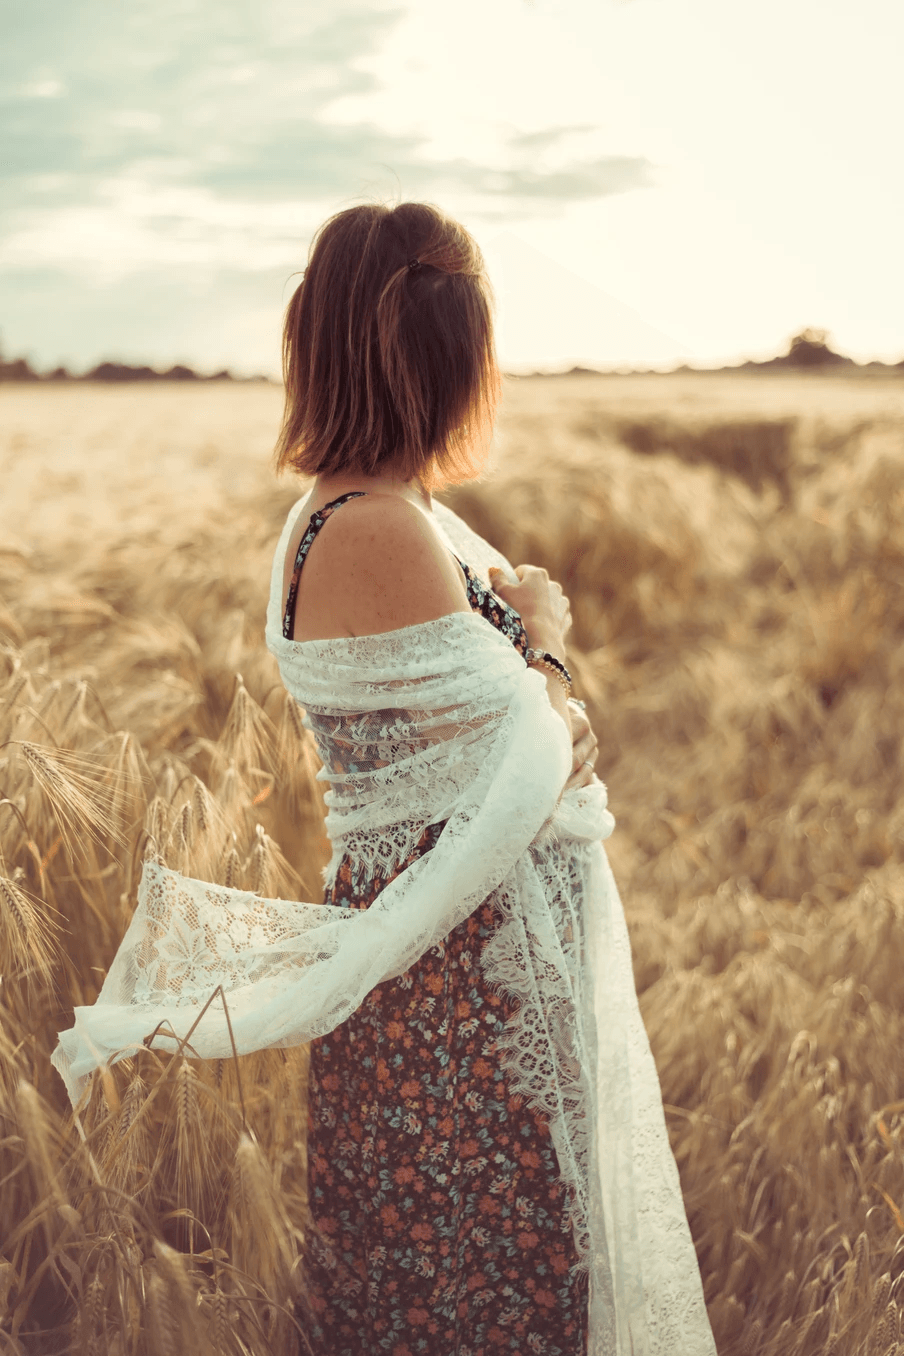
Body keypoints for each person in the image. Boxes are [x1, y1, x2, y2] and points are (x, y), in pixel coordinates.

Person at [53, 202, 717, 1356]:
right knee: (476, 1292)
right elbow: (532, 760)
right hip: (455, 999)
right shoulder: (377, 531)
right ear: (453, 355)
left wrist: (547, 704)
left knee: (471, 1287)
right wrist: (549, 640)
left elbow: (527, 747)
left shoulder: (387, 515)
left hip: (463, 973)